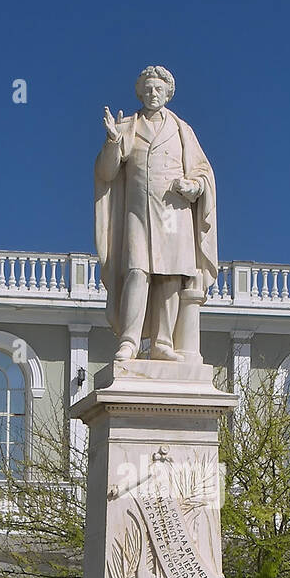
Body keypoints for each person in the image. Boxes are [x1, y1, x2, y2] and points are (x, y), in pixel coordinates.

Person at [95, 65, 218, 362]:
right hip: (138, 213)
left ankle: (163, 342)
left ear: (168, 94)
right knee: (137, 271)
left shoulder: (182, 130)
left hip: (174, 213)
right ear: (140, 92)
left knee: (170, 277)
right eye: (148, 89)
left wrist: (194, 186)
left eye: (158, 89)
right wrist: (112, 141)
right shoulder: (127, 128)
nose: (153, 94)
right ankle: (130, 340)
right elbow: (106, 173)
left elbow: (203, 172)